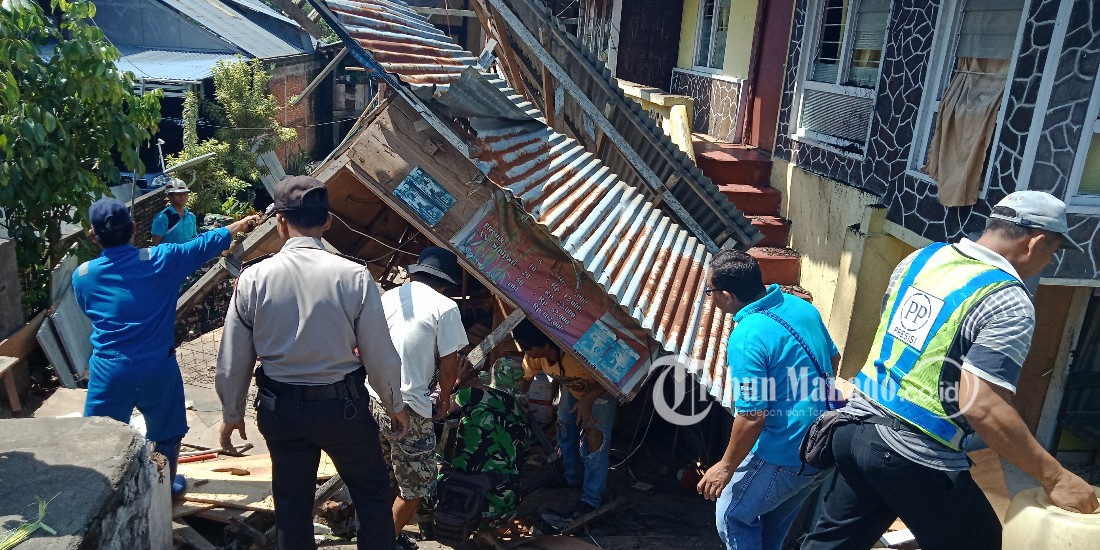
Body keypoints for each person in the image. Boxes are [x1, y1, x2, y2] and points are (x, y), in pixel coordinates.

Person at [803, 191, 1099, 550]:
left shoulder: (922, 258)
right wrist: (1055, 477)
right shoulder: (1008, 300)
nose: (1047, 261)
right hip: (910, 451)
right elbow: (982, 405)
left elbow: (895, 335)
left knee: (830, 545)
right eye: (1052, 252)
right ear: (1035, 242)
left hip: (853, 431)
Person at [215, 176, 410, 550]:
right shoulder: (353, 276)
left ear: (280, 221)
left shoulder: (253, 278)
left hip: (280, 409)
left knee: (291, 505)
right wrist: (394, 404)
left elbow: (233, 358)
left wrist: (232, 411)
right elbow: (379, 354)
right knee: (371, 494)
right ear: (328, 222)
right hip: (343, 410)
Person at [73, 197, 257, 498]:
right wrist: (239, 225)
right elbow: (206, 243)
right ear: (133, 228)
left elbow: (88, 310)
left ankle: (100, 499)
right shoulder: (163, 259)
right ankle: (165, 491)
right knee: (168, 434)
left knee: (97, 437)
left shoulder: (82, 276)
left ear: (93, 237)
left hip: (109, 371)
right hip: (158, 368)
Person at [695, 249, 838, 550]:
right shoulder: (802, 308)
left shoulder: (747, 335)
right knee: (772, 528)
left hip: (786, 453)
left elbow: (752, 416)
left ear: (726, 296)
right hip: (825, 443)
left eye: (709, 291)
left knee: (732, 515)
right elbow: (832, 358)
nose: (710, 298)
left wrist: (725, 466)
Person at [371, 246, 469, 549]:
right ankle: (381, 543)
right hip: (409, 405)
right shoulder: (445, 306)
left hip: (373, 398)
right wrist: (443, 399)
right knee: (417, 487)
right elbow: (450, 364)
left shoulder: (388, 297)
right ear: (445, 283)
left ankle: (385, 534)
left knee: (388, 476)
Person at [512, 319, 617, 517]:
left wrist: (587, 401)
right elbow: (524, 382)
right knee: (564, 430)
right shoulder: (535, 357)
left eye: (527, 347)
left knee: (595, 443)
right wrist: (518, 399)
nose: (525, 352)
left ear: (544, 344)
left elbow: (611, 377)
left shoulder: (579, 353)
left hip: (600, 392)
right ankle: (571, 476)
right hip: (572, 387)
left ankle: (591, 498)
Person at [443, 356, 531, 526]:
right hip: (501, 512)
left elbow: (440, 410)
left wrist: (458, 382)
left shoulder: (471, 395)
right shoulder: (522, 416)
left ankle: (426, 522)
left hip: (458, 501)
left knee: (427, 463)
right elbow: (523, 457)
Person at [150, 178, 198, 245]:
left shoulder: (191, 216)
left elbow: (194, 240)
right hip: (170, 255)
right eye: (178, 194)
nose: (183, 196)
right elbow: (156, 245)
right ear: (170, 197)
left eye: (185, 193)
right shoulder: (163, 217)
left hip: (188, 255)